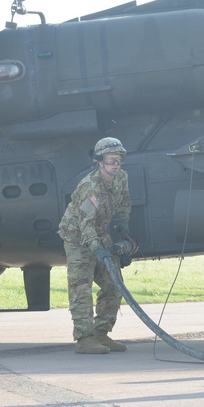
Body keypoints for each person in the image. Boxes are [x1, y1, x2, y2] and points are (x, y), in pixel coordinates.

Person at [58, 137, 133, 354]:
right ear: (100, 162)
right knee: (81, 286)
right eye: (111, 160)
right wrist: (96, 248)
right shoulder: (89, 187)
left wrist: (123, 228)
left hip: (99, 232)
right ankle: (84, 338)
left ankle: (101, 333)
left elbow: (125, 203)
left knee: (114, 283)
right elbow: (85, 223)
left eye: (119, 160)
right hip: (77, 237)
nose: (116, 164)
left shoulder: (121, 178)